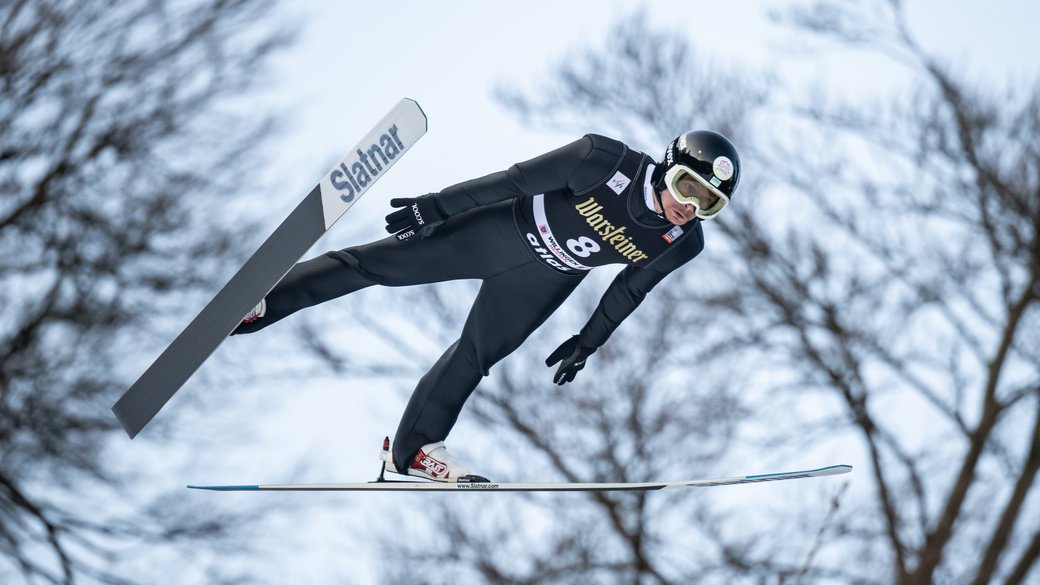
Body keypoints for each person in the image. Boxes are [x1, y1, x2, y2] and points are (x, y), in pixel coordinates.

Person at [233, 130, 741, 482]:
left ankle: (415, 453)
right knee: (373, 267)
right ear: (667, 168)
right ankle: (264, 303)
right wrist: (435, 206)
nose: (690, 207)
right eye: (687, 188)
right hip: (498, 233)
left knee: (477, 357)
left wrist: (589, 341)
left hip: (544, 279)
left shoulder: (682, 241)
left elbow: (630, 289)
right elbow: (512, 180)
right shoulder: (602, 161)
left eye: (708, 205)